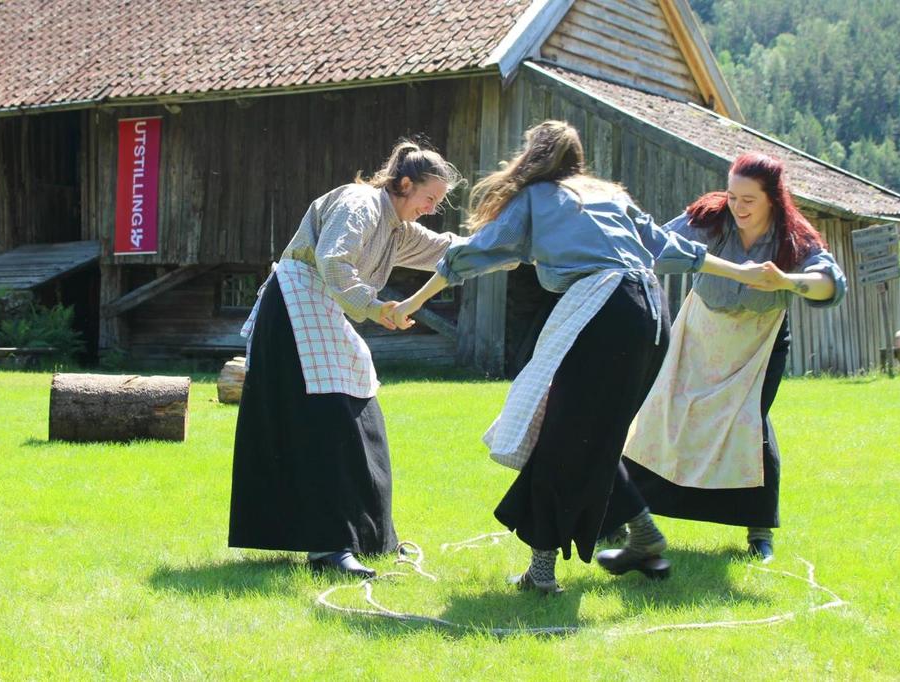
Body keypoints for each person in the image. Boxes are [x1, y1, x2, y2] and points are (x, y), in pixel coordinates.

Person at [392, 121, 763, 593]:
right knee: (594, 439)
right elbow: (669, 249)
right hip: (650, 313)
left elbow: (472, 253)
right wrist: (744, 272)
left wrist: (412, 302)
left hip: (603, 310)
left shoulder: (537, 197)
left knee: (564, 440)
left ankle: (547, 571)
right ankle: (639, 536)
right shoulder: (607, 193)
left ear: (535, 155)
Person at [598, 152, 846, 569]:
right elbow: (657, 245)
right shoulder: (711, 218)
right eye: (733, 196)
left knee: (747, 424)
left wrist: (787, 281)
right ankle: (620, 516)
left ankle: (759, 531)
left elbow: (829, 284)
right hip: (700, 332)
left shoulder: (794, 237)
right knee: (663, 416)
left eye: (749, 199)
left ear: (773, 198)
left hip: (758, 342)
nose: (739, 206)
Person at [229, 141, 464, 577]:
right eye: (430, 198)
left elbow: (447, 248)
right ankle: (328, 548)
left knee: (362, 415)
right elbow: (333, 263)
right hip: (295, 307)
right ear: (405, 183)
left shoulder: (397, 227)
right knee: (328, 422)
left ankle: (371, 538)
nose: (432, 209)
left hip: (320, 310)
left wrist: (509, 247)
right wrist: (377, 309)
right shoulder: (360, 203)